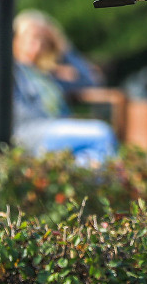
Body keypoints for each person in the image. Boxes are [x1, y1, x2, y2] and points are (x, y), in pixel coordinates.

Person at [12, 9, 117, 167]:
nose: (39, 46)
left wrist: (65, 48)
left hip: (55, 129)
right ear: (17, 40)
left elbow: (90, 81)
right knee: (103, 134)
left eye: (44, 41)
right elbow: (19, 116)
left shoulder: (48, 74)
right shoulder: (13, 71)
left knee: (89, 157)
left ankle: (78, 183)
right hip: (33, 132)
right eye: (33, 38)